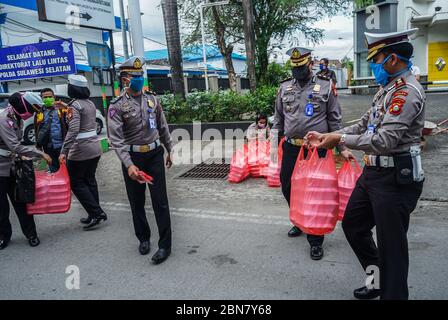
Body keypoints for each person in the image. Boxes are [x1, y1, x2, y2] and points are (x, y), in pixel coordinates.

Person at [306, 28, 425, 300]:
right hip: (372, 174)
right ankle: (377, 281)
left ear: (393, 59)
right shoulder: (386, 90)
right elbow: (364, 124)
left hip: (395, 178)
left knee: (391, 248)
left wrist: (340, 137)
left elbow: (384, 140)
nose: (373, 65)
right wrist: (332, 136)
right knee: (354, 226)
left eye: (377, 59)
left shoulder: (406, 93)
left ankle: (392, 293)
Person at [272, 47, 351, 260]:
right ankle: (299, 220)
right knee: (287, 186)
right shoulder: (284, 87)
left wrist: (342, 147)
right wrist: (271, 148)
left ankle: (315, 240)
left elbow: (335, 120)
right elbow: (278, 120)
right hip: (291, 147)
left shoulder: (325, 86)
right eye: (294, 68)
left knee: (315, 193)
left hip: (316, 149)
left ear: (310, 64)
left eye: (301, 67)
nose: (298, 71)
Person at [108, 57, 174, 265]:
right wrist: (129, 165)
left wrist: (170, 149)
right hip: (133, 157)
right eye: (135, 76)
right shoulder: (117, 106)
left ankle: (165, 245)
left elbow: (162, 126)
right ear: (125, 79)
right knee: (136, 202)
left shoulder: (152, 99)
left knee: (160, 201)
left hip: (154, 155)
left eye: (141, 75)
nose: (139, 79)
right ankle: (143, 238)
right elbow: (116, 140)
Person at [0, 92, 52, 250]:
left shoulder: (15, 117)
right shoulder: (4, 119)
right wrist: (40, 154)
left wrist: (20, 156)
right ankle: (4, 236)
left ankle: (31, 234)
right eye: (30, 109)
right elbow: (14, 145)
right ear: (22, 106)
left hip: (12, 166)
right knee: (1, 207)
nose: (32, 113)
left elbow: (15, 144)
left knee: (22, 202)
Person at [59, 75, 107, 230]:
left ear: (72, 88)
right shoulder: (89, 103)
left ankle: (96, 212)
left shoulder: (74, 106)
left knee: (76, 182)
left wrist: (64, 151)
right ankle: (94, 213)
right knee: (89, 180)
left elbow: (73, 130)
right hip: (94, 147)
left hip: (80, 150)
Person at [35, 88, 68, 173]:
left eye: (50, 96)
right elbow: (37, 129)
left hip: (62, 146)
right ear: (41, 98)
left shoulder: (61, 109)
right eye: (45, 97)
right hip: (48, 147)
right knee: (54, 170)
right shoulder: (39, 112)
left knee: (67, 169)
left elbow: (72, 114)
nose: (48, 98)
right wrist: (38, 146)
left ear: (54, 97)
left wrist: (66, 106)